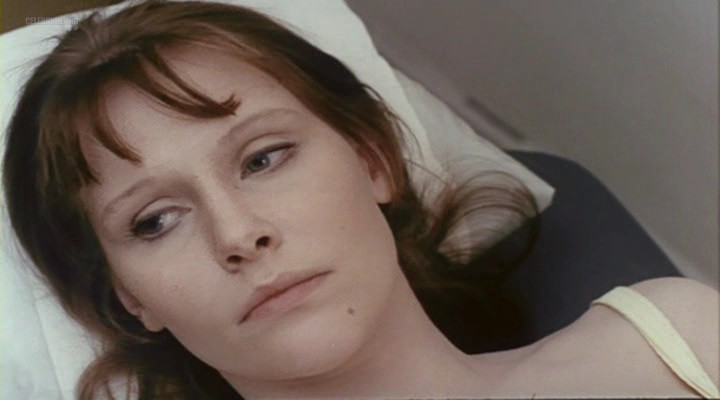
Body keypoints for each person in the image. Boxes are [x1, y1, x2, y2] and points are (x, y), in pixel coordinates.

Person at [2, 1, 718, 399]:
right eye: (155, 221)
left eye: (262, 158)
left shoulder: (673, 342)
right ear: (129, 298)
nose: (238, 234)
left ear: (373, 158)